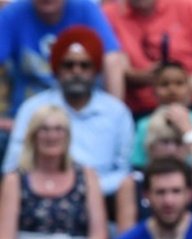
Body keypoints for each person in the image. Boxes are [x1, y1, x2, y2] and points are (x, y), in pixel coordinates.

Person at [3, 26, 134, 208]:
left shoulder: (116, 112)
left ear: (95, 70)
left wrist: (85, 189)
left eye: (85, 65)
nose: (77, 71)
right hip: (39, 201)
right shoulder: (33, 108)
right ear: (57, 68)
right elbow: (12, 165)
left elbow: (125, 170)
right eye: (69, 65)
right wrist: (51, 186)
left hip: (103, 201)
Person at [0, 105, 106, 239]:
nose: (52, 136)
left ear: (67, 136)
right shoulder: (14, 179)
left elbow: (99, 235)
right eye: (45, 129)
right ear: (33, 135)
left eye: (58, 129)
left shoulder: (87, 175)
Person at [102, 0, 192, 116]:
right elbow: (117, 68)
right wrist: (147, 77)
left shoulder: (185, 4)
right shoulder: (110, 14)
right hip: (143, 107)